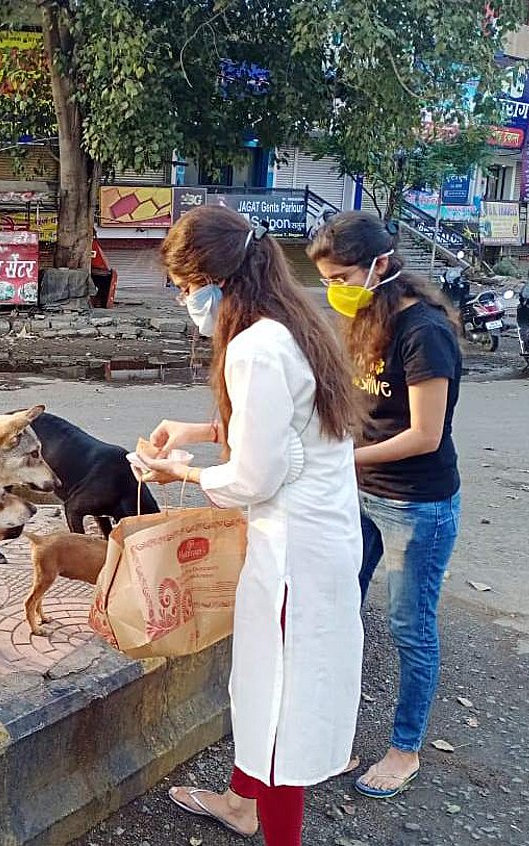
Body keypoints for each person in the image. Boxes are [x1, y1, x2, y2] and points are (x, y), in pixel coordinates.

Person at [137, 206, 364, 844]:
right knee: (268, 689)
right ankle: (242, 803)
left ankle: (275, 829)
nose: (185, 301)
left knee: (280, 710)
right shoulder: (292, 324)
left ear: (215, 281)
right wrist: (201, 431)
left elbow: (255, 478)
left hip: (294, 552)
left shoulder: (254, 348)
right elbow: (288, 430)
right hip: (318, 539)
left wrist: (179, 473)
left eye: (186, 287)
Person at [307, 211, 462, 800]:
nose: (335, 290)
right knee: (340, 608)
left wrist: (342, 461)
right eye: (327, 280)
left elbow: (425, 434)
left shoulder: (424, 331)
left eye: (343, 277)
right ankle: (332, 737)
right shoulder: (362, 320)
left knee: (410, 627)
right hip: (359, 495)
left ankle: (405, 748)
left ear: (381, 264)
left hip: (415, 505)